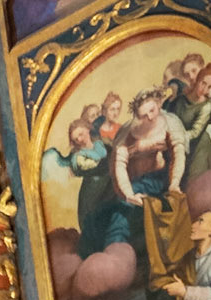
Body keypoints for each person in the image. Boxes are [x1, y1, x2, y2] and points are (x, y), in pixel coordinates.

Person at [80, 89, 188, 258]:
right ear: (137, 116)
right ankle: (114, 255)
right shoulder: (129, 131)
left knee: (122, 212)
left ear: (158, 105)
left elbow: (179, 153)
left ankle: (114, 254)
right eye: (144, 115)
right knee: (111, 212)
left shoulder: (170, 123)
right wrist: (128, 194)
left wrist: (174, 183)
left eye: (152, 111)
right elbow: (119, 165)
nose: (150, 117)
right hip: (134, 182)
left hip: (162, 177)